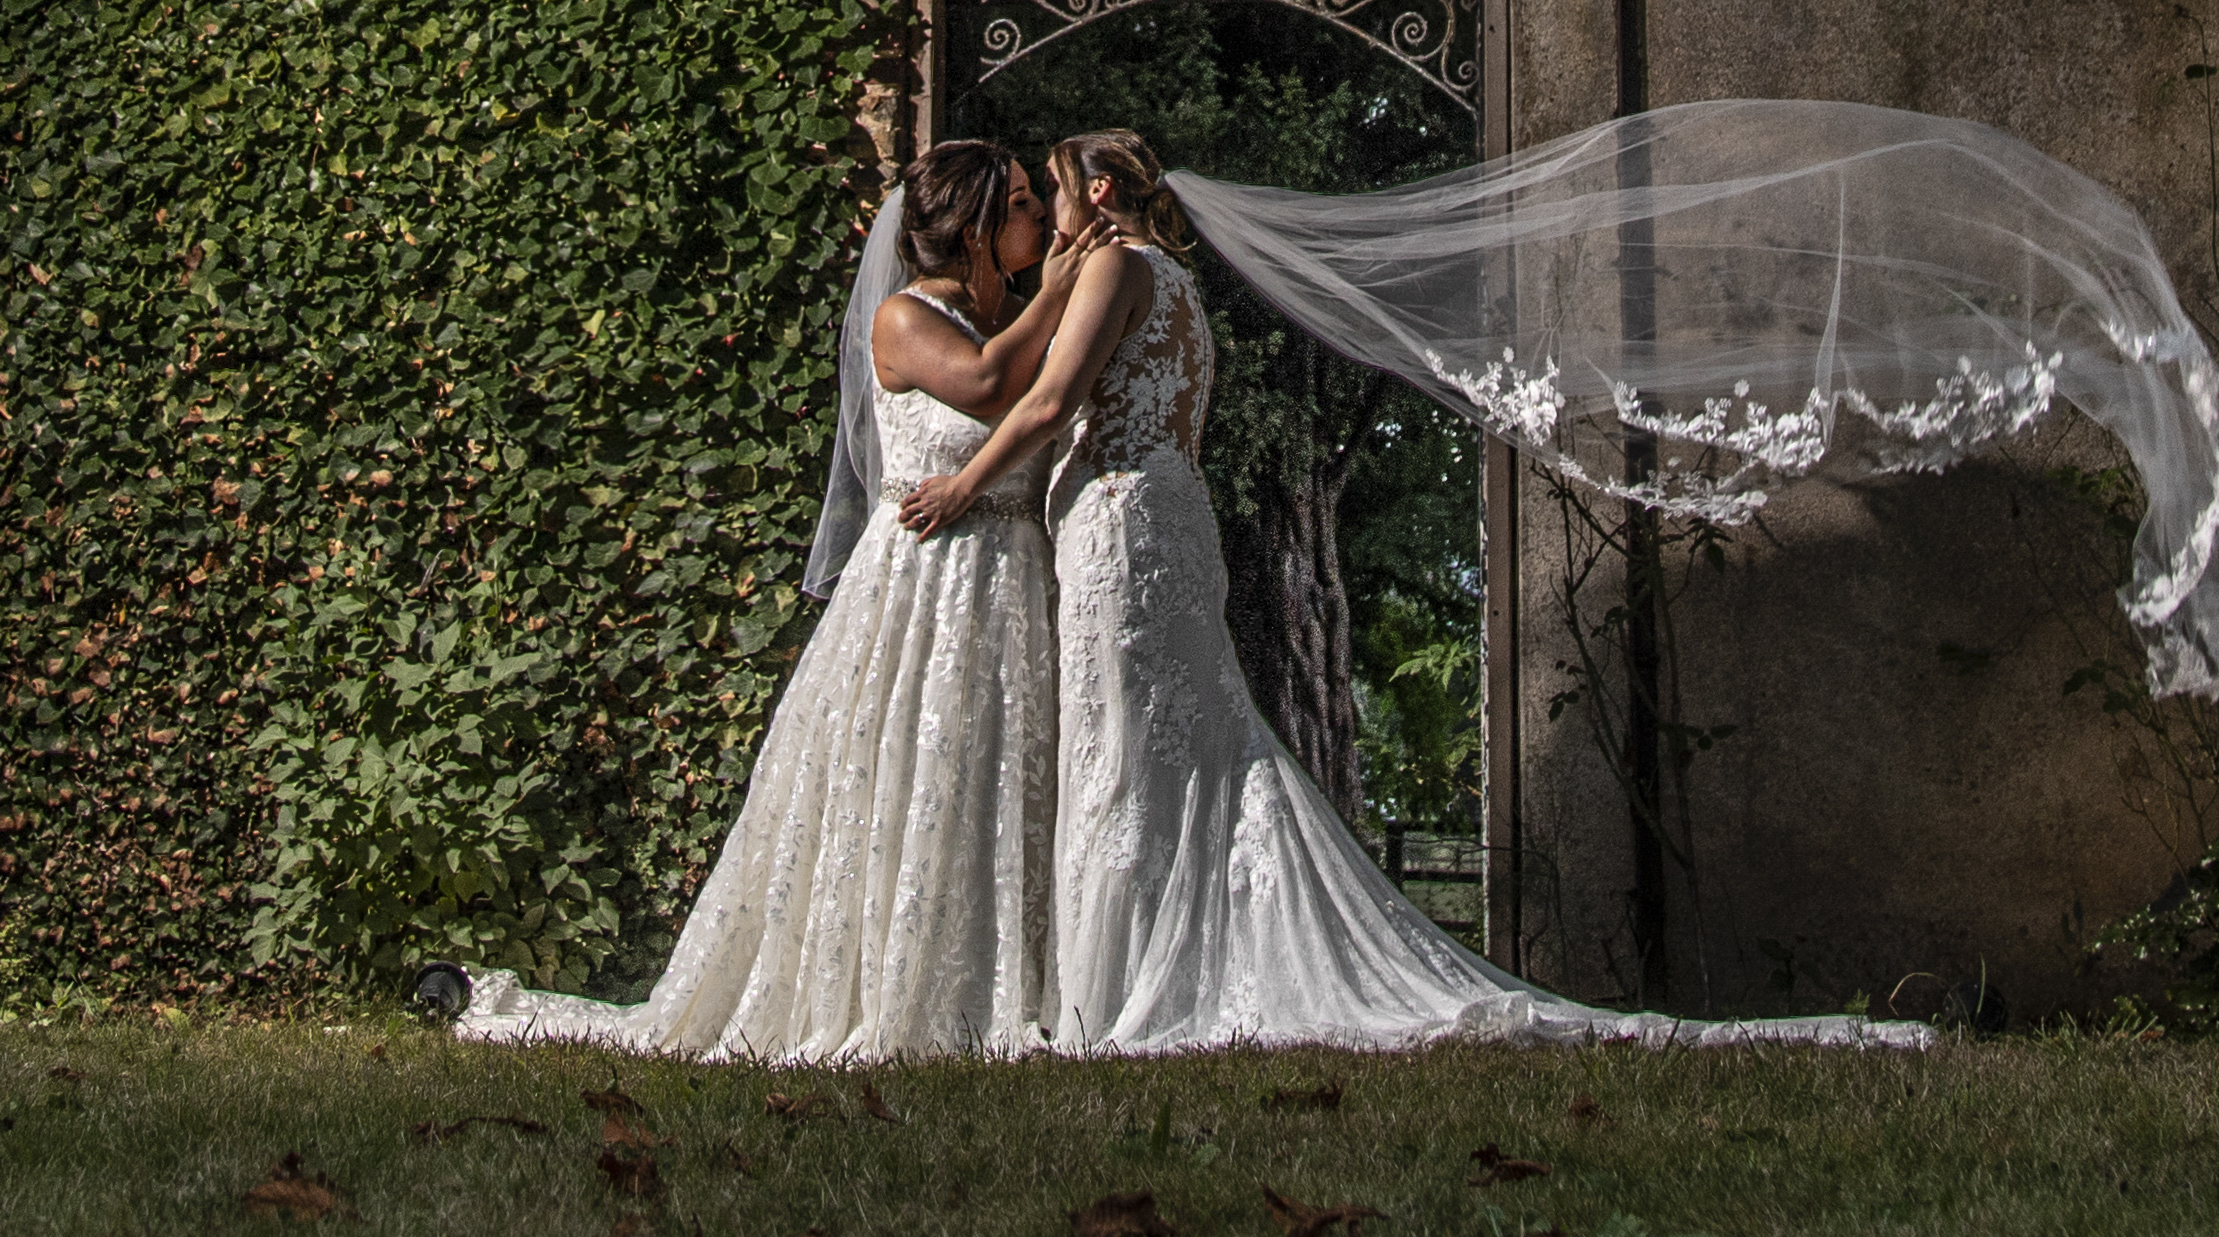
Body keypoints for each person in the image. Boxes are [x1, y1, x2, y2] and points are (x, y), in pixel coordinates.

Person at [902, 131, 1906, 1052]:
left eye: (1053, 193)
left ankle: (1116, 989)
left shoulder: (1113, 265)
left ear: (1099, 190)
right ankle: (1158, 962)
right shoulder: (1175, 284)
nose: (1047, 217)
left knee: (1124, 748)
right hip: (1168, 516)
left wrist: (960, 484)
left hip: (1122, 525)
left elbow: (1042, 402)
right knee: (1184, 742)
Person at [452, 140, 1097, 1058]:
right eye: (1024, 203)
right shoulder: (905, 321)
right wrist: (1061, 295)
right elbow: (988, 385)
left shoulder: (1018, 317)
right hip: (925, 589)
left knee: (995, 782)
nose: (1040, 218)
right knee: (915, 781)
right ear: (976, 227)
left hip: (1008, 584)